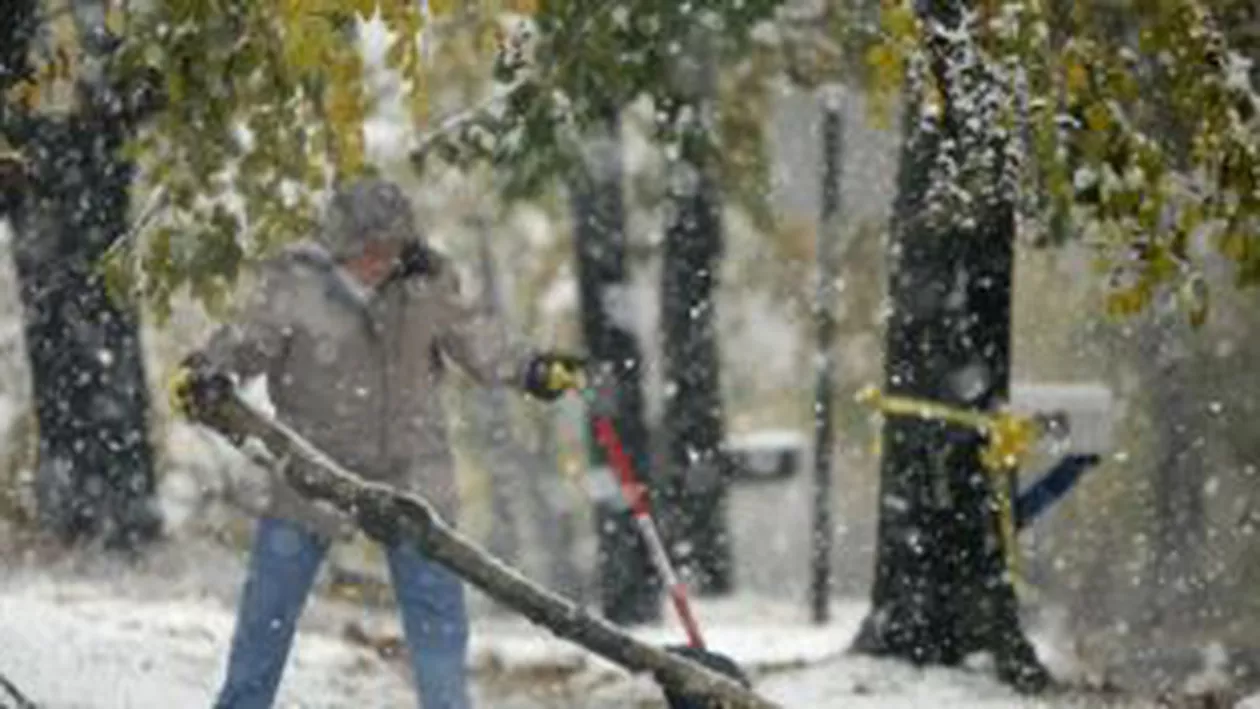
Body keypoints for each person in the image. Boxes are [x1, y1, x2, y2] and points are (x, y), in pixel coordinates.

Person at [171, 176, 584, 709]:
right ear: (339, 244)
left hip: (413, 475)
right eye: (369, 249)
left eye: (391, 248)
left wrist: (533, 369)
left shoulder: (427, 283)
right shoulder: (296, 284)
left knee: (437, 625)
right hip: (312, 470)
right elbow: (245, 342)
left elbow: (483, 342)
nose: (380, 260)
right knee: (266, 616)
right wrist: (208, 371)